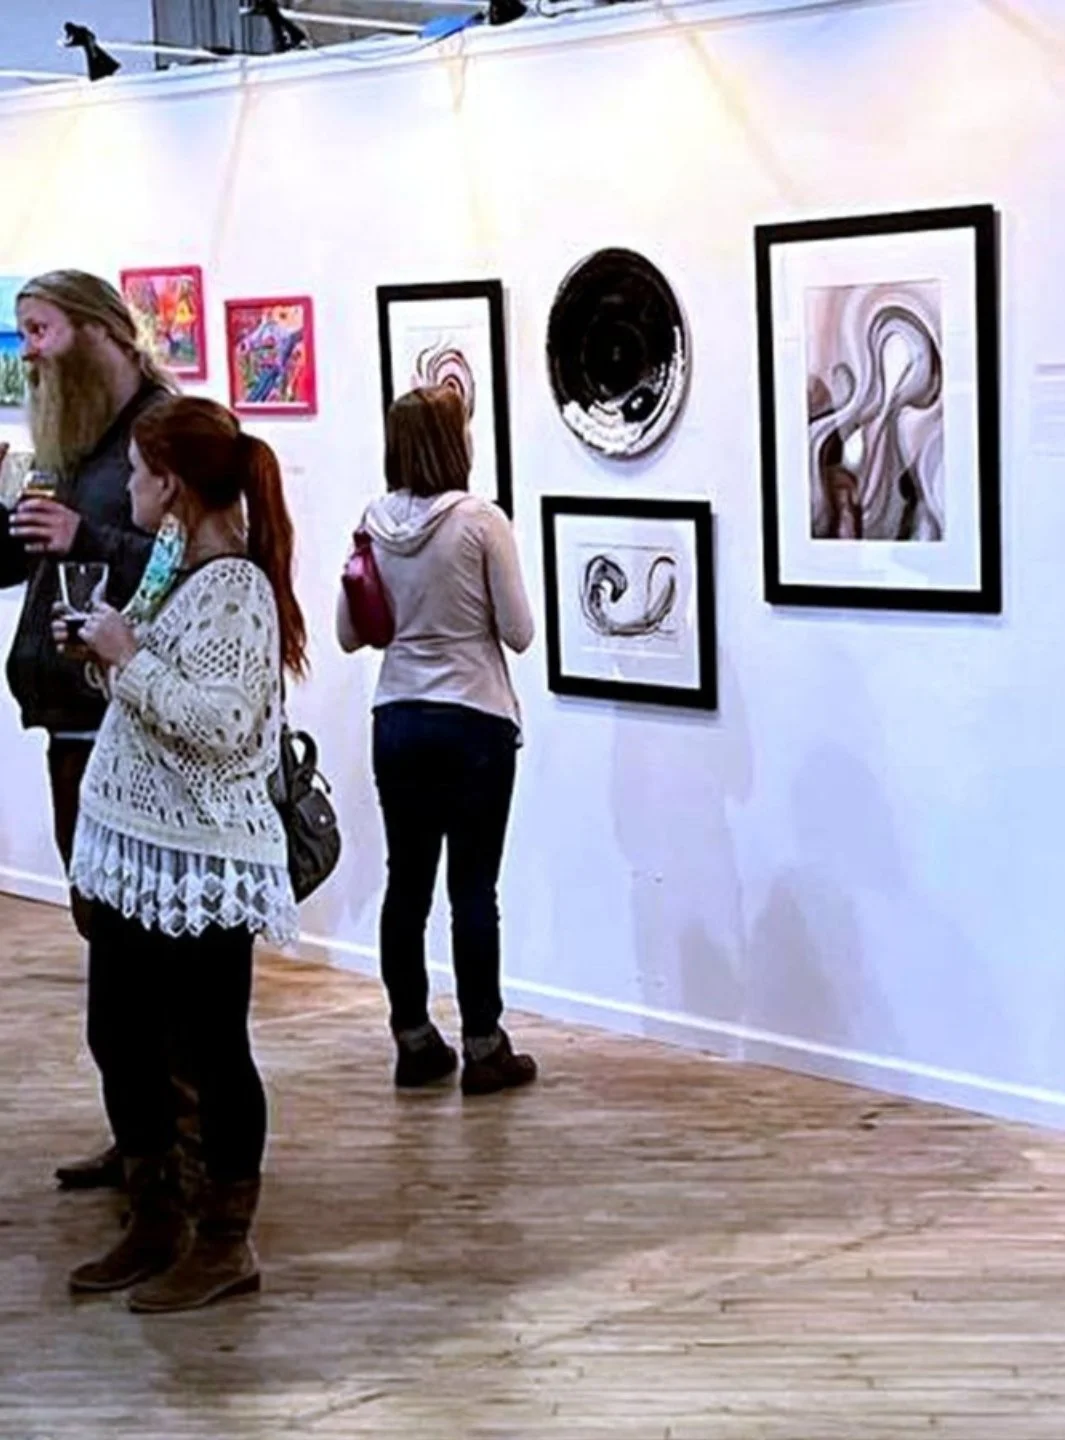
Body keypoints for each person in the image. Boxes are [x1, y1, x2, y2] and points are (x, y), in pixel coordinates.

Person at [57, 395, 305, 1313]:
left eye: (137, 469)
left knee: (212, 1048)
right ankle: (153, 1218)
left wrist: (128, 657)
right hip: (132, 851)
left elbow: (222, 723)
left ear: (173, 483)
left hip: (200, 858)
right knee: (119, 1037)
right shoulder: (171, 562)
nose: (127, 483)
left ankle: (223, 1241)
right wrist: (102, 651)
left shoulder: (237, 588)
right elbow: (151, 676)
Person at [0, 270, 177, 1191]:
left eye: (40, 331)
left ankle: (174, 1146)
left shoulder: (166, 429)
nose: (26, 351)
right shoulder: (66, 436)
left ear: (102, 327)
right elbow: (23, 560)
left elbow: (206, 562)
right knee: (103, 936)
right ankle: (137, 1132)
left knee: (140, 947)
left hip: (136, 727)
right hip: (67, 723)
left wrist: (87, 537)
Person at [336, 385, 537, 1096]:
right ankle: (484, 1045)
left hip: (398, 719)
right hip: (474, 718)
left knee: (407, 884)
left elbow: (349, 632)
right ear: (456, 444)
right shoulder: (482, 523)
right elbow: (518, 631)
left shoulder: (372, 522)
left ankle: (413, 1038)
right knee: (473, 889)